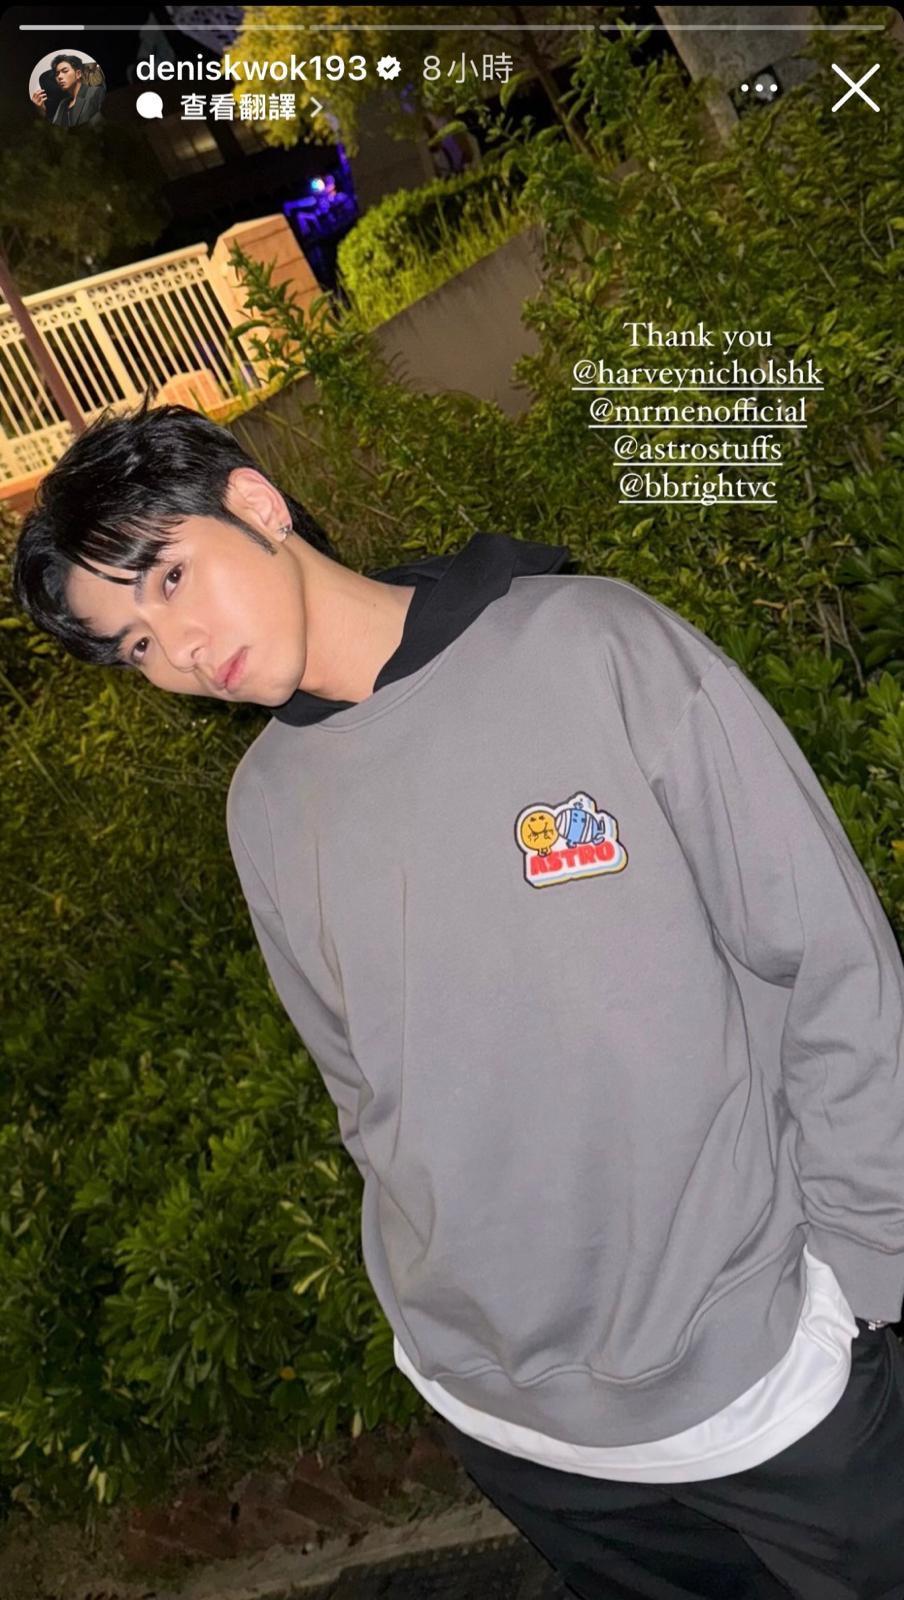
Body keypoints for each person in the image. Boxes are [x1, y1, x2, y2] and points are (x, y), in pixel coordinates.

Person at [11, 399, 904, 1599]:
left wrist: (863, 1277)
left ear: (255, 504)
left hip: (766, 1383)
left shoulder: (591, 645)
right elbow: (359, 1089)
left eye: (169, 578)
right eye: (133, 644)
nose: (176, 648)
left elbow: (833, 965)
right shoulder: (264, 806)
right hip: (507, 1417)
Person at [31, 54, 105, 129]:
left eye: (65, 71)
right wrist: (41, 108)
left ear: (78, 74)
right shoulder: (63, 104)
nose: (59, 77)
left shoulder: (95, 93)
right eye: (57, 74)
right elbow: (57, 127)